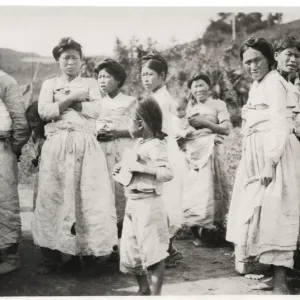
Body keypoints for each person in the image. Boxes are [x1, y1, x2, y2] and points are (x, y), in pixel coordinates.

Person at [31, 37, 118, 275]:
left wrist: (73, 105)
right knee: (53, 197)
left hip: (85, 147)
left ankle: (87, 256)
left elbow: (96, 110)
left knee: (86, 199)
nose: (70, 62)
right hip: (57, 146)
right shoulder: (49, 84)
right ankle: (51, 256)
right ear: (58, 61)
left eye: (75, 58)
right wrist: (71, 98)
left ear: (81, 61)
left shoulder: (90, 84)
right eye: (65, 58)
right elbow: (45, 112)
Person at [226, 36, 300, 294]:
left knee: (277, 212)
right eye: (247, 62)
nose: (252, 66)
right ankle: (269, 271)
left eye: (257, 60)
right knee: (261, 213)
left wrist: (270, 162)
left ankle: (281, 281)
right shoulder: (258, 85)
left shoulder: (275, 84)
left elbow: (280, 123)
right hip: (256, 154)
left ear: (270, 59)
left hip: (275, 153)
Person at [113, 96, 173, 295]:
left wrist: (143, 168)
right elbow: (132, 172)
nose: (126, 126)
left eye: (128, 121)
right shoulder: (139, 144)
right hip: (133, 203)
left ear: (140, 123)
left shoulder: (156, 145)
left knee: (153, 252)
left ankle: (156, 294)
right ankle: (143, 289)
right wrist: (121, 171)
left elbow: (167, 172)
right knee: (131, 248)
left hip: (149, 205)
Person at [141, 52, 183, 268]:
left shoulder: (163, 100)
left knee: (165, 199)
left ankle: (168, 249)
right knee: (157, 199)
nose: (145, 78)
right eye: (143, 75)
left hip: (164, 149)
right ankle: (165, 247)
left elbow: (164, 128)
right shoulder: (152, 98)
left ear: (162, 75)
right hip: (157, 147)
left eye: (150, 74)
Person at [181, 73, 231, 247]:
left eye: (201, 85)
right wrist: (184, 133)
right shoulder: (190, 107)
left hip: (211, 151)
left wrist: (207, 124)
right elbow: (183, 129)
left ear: (209, 87)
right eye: (194, 86)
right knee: (194, 191)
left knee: (211, 189)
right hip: (193, 152)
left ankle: (214, 230)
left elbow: (226, 129)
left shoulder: (218, 104)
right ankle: (196, 230)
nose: (198, 89)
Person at [94, 58, 135, 262]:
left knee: (121, 197)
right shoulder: (95, 103)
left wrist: (116, 132)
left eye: (107, 76)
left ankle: (123, 247)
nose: (102, 80)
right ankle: (106, 245)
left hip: (122, 153)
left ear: (118, 79)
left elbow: (140, 129)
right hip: (99, 155)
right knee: (102, 198)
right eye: (100, 76)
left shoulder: (130, 101)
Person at [0, 69, 31, 275]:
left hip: (2, 147)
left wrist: (13, 148)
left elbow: (21, 120)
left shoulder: (4, 80)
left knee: (5, 201)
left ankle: (10, 255)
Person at [25, 101, 47, 209]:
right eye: (29, 122)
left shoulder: (52, 137)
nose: (32, 125)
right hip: (41, 174)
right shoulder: (36, 135)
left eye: (34, 121)